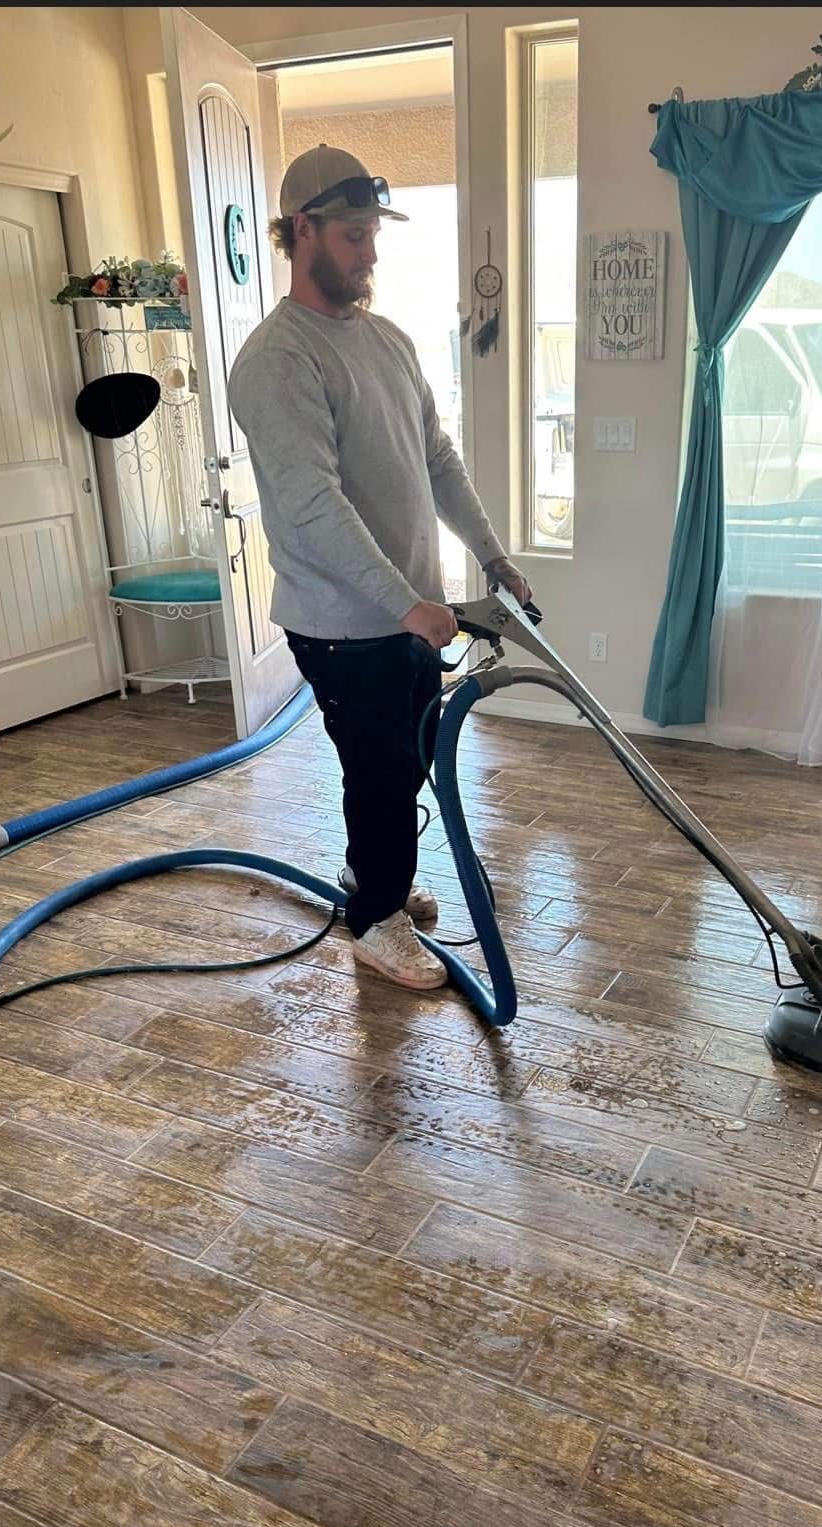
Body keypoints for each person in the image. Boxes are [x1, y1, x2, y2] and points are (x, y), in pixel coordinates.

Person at [228, 146, 531, 992]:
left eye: (373, 236)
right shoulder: (278, 359)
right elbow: (313, 508)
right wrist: (405, 603)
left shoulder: (387, 341)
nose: (369, 253)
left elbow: (435, 456)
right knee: (379, 768)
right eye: (355, 235)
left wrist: (490, 553)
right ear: (303, 232)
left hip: (406, 612)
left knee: (406, 760)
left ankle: (378, 882)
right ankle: (374, 924)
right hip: (342, 620)